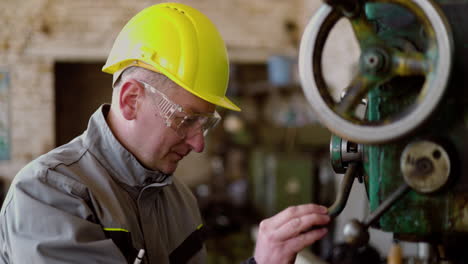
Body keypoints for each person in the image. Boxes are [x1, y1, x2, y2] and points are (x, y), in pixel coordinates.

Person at [0, 3, 330, 264]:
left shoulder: (178, 201)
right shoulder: (49, 196)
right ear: (131, 100)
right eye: (186, 119)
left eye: (206, 124)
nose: (199, 144)